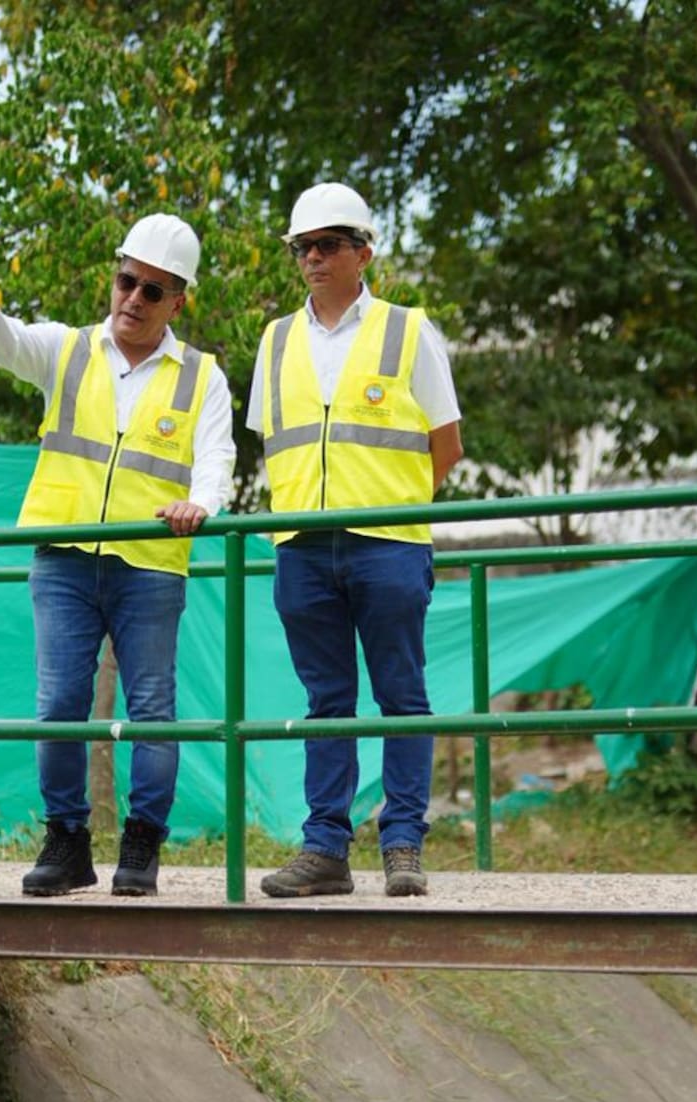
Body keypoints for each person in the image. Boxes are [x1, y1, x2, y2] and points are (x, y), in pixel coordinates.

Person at [0, 214, 236, 897]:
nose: (132, 298)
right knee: (58, 706)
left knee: (153, 708)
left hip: (149, 564)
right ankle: (67, 842)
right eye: (125, 281)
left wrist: (204, 504)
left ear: (178, 301)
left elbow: (216, 459)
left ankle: (142, 847)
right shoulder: (67, 349)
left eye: (152, 290)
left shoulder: (204, 378)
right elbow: (3, 339)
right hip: (64, 558)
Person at [247, 182, 462, 899]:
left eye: (327, 243)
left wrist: (393, 508)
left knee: (403, 695)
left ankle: (403, 843)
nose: (312, 256)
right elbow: (275, 443)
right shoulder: (275, 339)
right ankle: (325, 850)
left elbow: (446, 443)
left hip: (389, 543)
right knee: (325, 702)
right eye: (302, 246)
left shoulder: (408, 330)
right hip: (302, 544)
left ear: (363, 251)